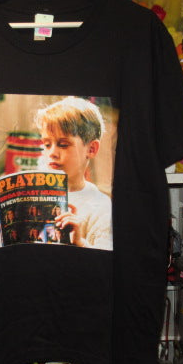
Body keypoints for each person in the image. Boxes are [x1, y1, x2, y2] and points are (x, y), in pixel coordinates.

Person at [35, 96, 112, 250]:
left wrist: (79, 243)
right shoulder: (34, 193)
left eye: (63, 145)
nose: (52, 153)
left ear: (91, 149)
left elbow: (104, 258)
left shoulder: (100, 206)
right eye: (47, 144)